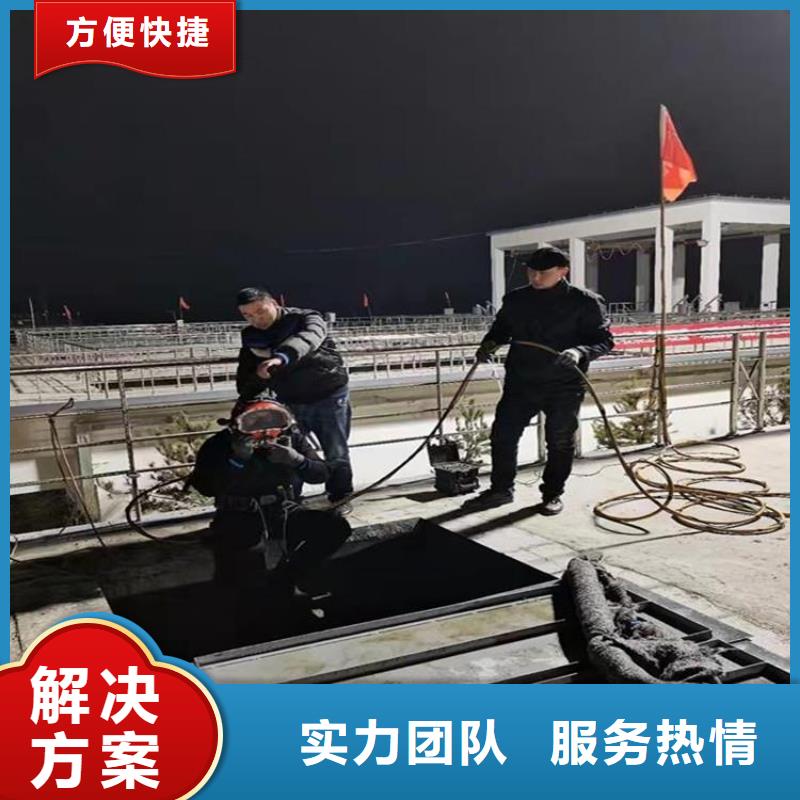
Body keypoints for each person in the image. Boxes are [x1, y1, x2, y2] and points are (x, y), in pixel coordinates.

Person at [464, 246, 614, 516]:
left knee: (559, 441)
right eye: (531, 272)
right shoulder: (516, 299)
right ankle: (501, 490)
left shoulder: (585, 302)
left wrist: (579, 351)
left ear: (563, 271)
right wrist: (490, 343)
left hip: (564, 385)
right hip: (521, 381)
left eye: (543, 273)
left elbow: (604, 341)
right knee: (503, 435)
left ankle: (552, 494)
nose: (535, 278)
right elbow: (501, 329)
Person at [188, 399, 352, 642]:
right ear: (236, 425)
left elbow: (321, 474)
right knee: (248, 568)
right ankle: (254, 624)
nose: (264, 433)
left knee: (335, 527)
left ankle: (285, 579)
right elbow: (206, 487)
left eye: (273, 424)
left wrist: (297, 460)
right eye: (254, 424)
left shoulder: (292, 439)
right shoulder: (219, 444)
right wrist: (237, 460)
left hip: (283, 511)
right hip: (240, 515)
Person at [234, 287, 354, 513]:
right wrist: (257, 380)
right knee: (286, 452)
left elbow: (308, 339)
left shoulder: (306, 318)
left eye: (260, 311)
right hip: (289, 402)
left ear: (274, 303)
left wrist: (282, 357)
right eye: (247, 315)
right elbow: (245, 383)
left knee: (336, 450)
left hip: (328, 394)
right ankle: (290, 502)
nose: (256, 319)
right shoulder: (251, 338)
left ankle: (340, 496)